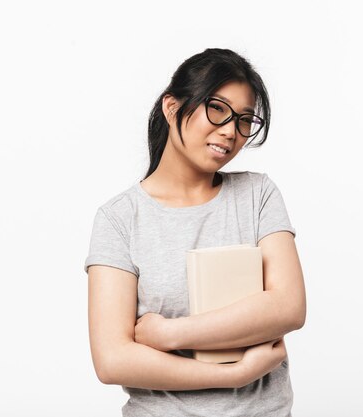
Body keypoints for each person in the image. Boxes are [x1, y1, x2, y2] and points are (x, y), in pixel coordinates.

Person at [84, 48, 306, 416]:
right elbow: (113, 359)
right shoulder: (119, 219)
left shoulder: (258, 194)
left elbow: (288, 307)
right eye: (217, 109)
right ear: (172, 108)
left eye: (244, 120)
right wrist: (233, 376)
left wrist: (173, 333)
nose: (230, 131)